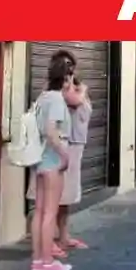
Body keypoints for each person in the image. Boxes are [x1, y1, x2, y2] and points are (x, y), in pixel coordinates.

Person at [29, 59, 72, 270]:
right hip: (53, 160)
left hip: (39, 159)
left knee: (39, 211)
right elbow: (51, 130)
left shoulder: (42, 98)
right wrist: (65, 155)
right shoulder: (56, 99)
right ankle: (48, 262)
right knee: (50, 213)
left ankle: (37, 259)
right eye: (70, 77)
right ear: (65, 78)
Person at [55, 49, 91, 255]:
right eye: (67, 67)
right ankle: (52, 239)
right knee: (60, 195)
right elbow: (75, 101)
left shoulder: (72, 86)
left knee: (67, 196)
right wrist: (81, 90)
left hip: (77, 145)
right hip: (67, 145)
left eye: (72, 67)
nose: (71, 71)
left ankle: (64, 236)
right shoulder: (62, 88)